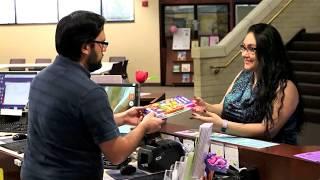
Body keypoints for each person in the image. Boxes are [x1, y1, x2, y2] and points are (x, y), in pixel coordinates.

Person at [21, 10, 164, 180]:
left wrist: (122, 118)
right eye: (102, 43)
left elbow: (71, 123)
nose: (104, 50)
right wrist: (144, 127)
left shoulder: (41, 78)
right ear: (85, 47)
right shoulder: (90, 93)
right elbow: (117, 154)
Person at [191, 23, 303, 145]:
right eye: (244, 47)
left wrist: (223, 125)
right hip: (239, 149)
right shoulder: (243, 75)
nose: (244, 54)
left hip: (274, 155)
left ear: (268, 51)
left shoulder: (285, 87)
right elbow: (224, 107)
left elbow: (269, 130)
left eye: (251, 49)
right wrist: (206, 107)